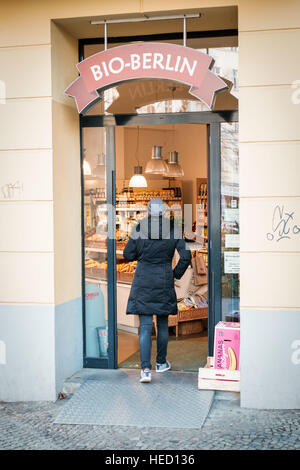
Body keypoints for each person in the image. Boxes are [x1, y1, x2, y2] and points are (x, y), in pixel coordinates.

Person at [123, 198, 191, 383]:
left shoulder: (138, 228)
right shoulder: (173, 229)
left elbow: (127, 255)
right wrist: (175, 274)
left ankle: (145, 370)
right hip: (163, 278)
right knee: (162, 324)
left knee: (145, 326)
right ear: (164, 212)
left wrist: (142, 254)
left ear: (148, 212)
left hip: (143, 279)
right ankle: (161, 363)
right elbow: (186, 256)